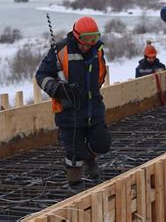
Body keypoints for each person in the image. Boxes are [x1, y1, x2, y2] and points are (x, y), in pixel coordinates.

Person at [35, 16, 111, 193]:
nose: (88, 45)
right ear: (77, 37)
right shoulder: (60, 51)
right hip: (69, 114)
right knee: (74, 153)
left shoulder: (97, 50)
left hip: (93, 110)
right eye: (85, 40)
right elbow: (41, 75)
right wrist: (57, 89)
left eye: (93, 39)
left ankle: (90, 158)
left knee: (102, 143)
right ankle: (74, 183)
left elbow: (100, 75)